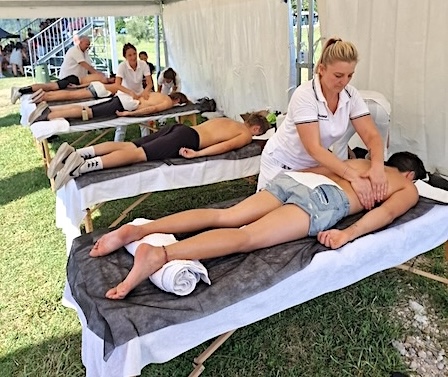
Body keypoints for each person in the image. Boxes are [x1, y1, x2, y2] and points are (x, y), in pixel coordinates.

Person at [88, 151, 426, 299]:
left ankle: (140, 229)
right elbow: (385, 215)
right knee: (245, 237)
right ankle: (161, 254)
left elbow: (320, 171)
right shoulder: (406, 185)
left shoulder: (362, 161)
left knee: (228, 215)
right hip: (324, 199)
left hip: (297, 181)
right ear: (410, 173)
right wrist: (347, 233)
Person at [258, 37, 387, 211]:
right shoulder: (305, 95)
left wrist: (378, 166)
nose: (344, 82)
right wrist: (353, 177)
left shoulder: (350, 95)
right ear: (321, 69)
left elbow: (371, 135)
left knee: (304, 212)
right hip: (282, 163)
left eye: (350, 75)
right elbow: (314, 148)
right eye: (338, 75)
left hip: (313, 165)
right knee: (267, 213)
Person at [47, 113, 271, 190]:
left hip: (181, 128)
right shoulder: (246, 134)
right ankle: (82, 166)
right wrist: (198, 154)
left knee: (131, 146)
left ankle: (79, 152)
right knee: (136, 155)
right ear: (256, 128)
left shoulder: (228, 120)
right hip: (189, 138)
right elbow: (225, 147)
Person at [28, 91, 189, 125]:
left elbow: (141, 95)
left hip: (122, 99)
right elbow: (150, 111)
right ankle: (47, 115)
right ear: (177, 101)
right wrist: (128, 114)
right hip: (124, 104)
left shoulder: (158, 94)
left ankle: (51, 112)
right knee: (87, 112)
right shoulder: (167, 102)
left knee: (86, 108)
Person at [115, 43, 154, 141]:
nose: (133, 57)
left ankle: (146, 143)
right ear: (125, 57)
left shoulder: (143, 64)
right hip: (125, 94)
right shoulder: (122, 66)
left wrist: (145, 91)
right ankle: (117, 144)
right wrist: (130, 93)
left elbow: (150, 83)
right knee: (122, 124)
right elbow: (117, 85)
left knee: (144, 120)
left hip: (140, 93)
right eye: (129, 55)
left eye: (134, 54)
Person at [10, 73, 114, 104]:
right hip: (74, 81)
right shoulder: (103, 80)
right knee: (48, 87)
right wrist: (77, 87)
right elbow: (89, 84)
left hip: (74, 77)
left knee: (48, 86)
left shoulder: (101, 74)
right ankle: (21, 90)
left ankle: (22, 90)